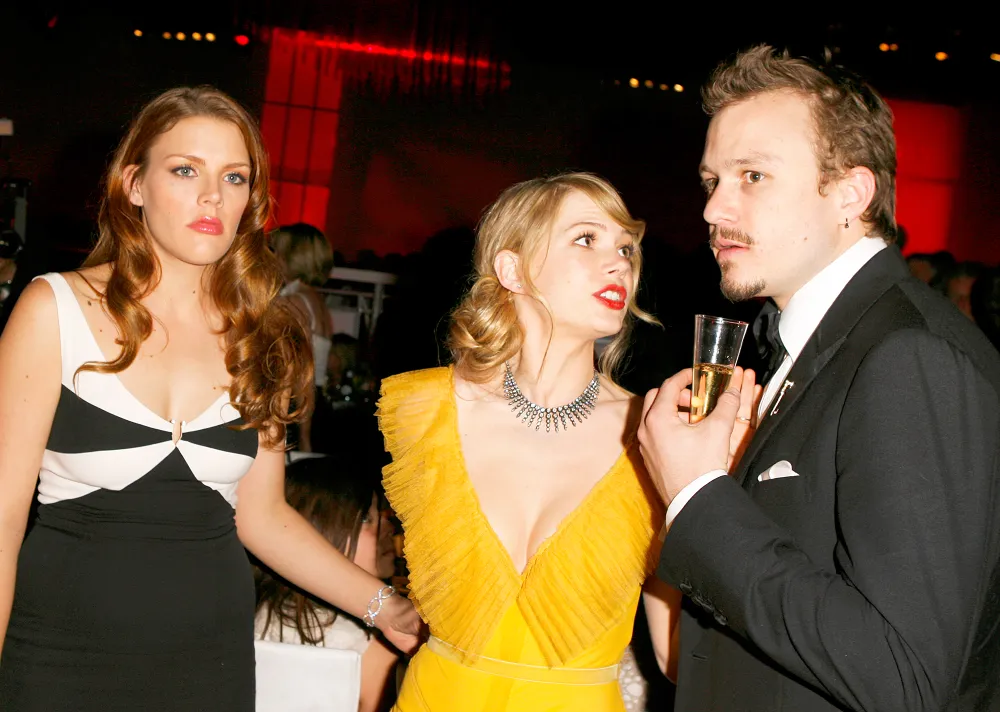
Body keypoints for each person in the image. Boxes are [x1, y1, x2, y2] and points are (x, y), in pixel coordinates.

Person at [0, 86, 419, 711]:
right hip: (57, 655)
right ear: (134, 184)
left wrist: (385, 607)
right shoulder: (54, 310)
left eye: (235, 177)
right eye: (185, 169)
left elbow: (264, 517)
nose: (211, 197)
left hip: (208, 663)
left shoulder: (263, 332)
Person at [638, 45, 1000, 711]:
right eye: (711, 181)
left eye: (752, 176)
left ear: (851, 194)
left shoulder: (907, 355)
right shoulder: (823, 346)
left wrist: (696, 493)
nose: (714, 210)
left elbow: (902, 677)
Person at [377, 173, 681, 711]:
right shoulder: (429, 411)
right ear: (512, 269)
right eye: (586, 239)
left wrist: (722, 500)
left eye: (626, 249)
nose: (619, 265)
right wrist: (375, 605)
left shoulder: (657, 432)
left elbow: (675, 654)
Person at [255, 455, 399, 712]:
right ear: (315, 529)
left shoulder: (247, 613)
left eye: (384, 515)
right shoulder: (379, 647)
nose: (388, 527)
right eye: (367, 517)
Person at [270, 222, 335, 452]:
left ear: (290, 256)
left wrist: (303, 435)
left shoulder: (293, 302)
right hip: (313, 404)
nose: (272, 257)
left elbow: (298, 370)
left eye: (276, 250)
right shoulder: (315, 300)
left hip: (297, 405)